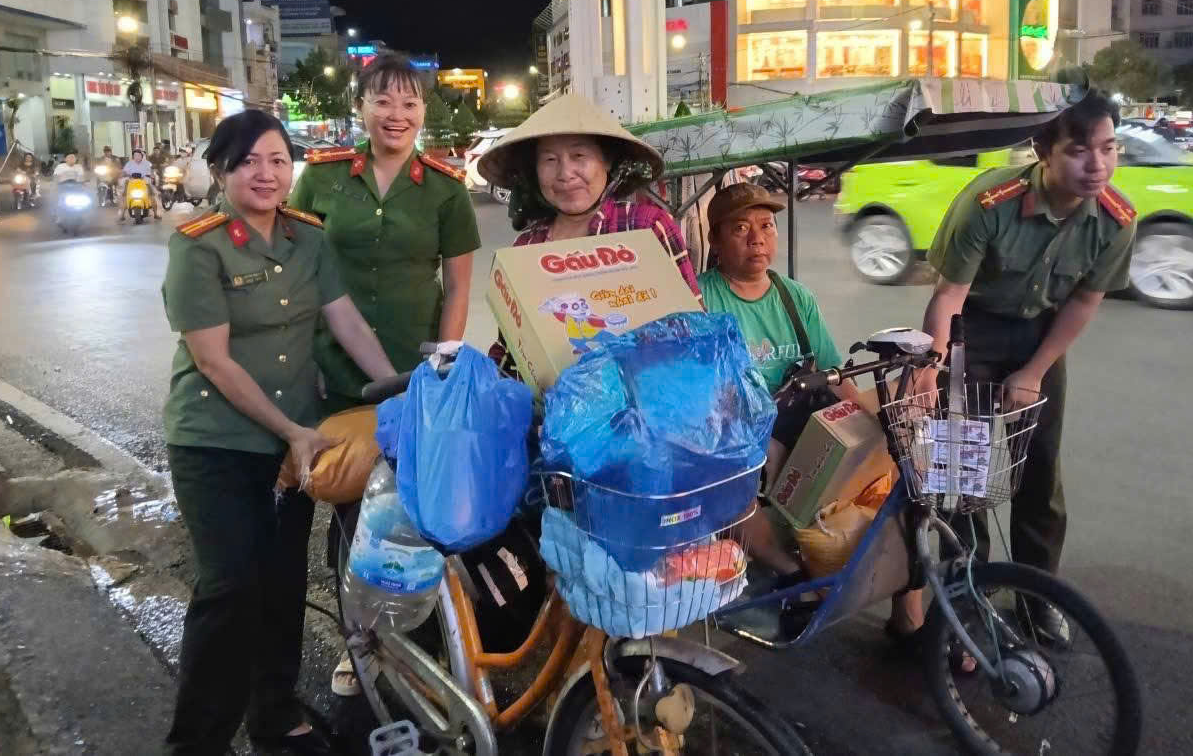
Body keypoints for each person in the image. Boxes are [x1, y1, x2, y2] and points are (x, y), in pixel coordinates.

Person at [161, 109, 397, 754]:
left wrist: (399, 388)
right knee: (230, 586)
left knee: (283, 579)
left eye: (277, 161)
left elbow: (345, 321)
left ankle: (273, 714)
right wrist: (292, 430)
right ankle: (197, 741)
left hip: (296, 441)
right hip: (215, 440)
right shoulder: (198, 246)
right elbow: (213, 360)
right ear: (220, 171)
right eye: (248, 162)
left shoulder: (307, 238)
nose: (266, 175)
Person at [908, 90, 1136, 646]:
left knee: (1040, 475)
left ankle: (1037, 598)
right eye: (1079, 151)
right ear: (1042, 151)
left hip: (1042, 336)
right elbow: (949, 296)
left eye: (1108, 149)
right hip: (970, 332)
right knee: (961, 476)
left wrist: (1033, 372)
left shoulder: (1116, 220)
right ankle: (967, 595)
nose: (1097, 165)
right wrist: (931, 366)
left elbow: (1083, 303)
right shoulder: (989, 203)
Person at [287, 52, 480, 696]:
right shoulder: (321, 179)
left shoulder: (446, 190)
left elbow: (458, 287)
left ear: (424, 112)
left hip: (412, 373)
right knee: (350, 510)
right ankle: (361, 645)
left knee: (415, 511)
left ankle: (422, 643)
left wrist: (443, 362)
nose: (397, 114)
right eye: (383, 101)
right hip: (334, 370)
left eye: (410, 103)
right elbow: (296, 272)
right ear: (361, 108)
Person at [699, 182, 910, 634]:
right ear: (714, 241)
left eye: (766, 226)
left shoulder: (795, 297)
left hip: (801, 421)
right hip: (738, 434)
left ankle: (908, 615)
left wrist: (877, 423)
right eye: (740, 229)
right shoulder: (701, 300)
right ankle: (793, 575)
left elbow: (835, 375)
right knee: (729, 492)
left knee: (897, 463)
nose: (757, 239)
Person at [477, 92, 702, 329]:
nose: (565, 174)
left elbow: (695, 323)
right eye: (550, 160)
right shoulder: (525, 247)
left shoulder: (648, 227)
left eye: (579, 156)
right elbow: (512, 340)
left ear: (607, 160)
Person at [117, 148, 162, 221]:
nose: (137, 157)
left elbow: (151, 172)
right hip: (131, 182)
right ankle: (122, 214)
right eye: (135, 155)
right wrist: (122, 175)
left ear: (142, 156)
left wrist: (152, 176)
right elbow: (124, 172)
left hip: (145, 182)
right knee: (124, 196)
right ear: (133, 156)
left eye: (138, 155)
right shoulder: (129, 163)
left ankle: (156, 214)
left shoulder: (147, 163)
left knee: (152, 196)